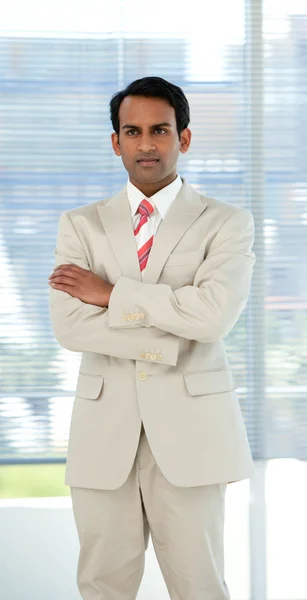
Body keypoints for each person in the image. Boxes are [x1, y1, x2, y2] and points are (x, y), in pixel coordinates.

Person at [48, 76, 256, 600]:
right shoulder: (80, 225)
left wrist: (110, 294)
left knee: (200, 585)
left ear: (183, 138)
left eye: (159, 130)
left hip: (193, 437)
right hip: (104, 434)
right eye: (132, 131)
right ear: (115, 141)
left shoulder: (226, 224)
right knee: (102, 586)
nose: (146, 143)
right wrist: (165, 339)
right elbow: (70, 326)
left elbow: (211, 317)